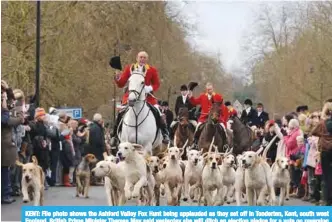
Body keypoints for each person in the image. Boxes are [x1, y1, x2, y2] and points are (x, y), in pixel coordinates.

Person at [110, 51, 170, 146]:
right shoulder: (130, 68)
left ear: (147, 59)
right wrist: (117, 77)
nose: (142, 59)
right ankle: (114, 136)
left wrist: (149, 88)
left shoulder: (152, 70)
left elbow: (157, 84)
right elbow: (121, 83)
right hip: (131, 96)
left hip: (148, 97)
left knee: (158, 111)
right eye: (140, 57)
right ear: (137, 58)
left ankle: (165, 133)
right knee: (121, 113)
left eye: (144, 57)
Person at [1, 80, 24, 204]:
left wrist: (8, 90)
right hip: (3, 144)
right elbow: (5, 119)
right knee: (4, 169)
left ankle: (6, 193)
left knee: (6, 169)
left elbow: (11, 105)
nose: (3, 98)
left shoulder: (5, 105)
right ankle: (5, 194)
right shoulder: (2, 111)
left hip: (6, 144)